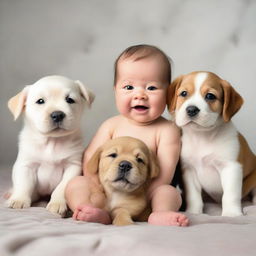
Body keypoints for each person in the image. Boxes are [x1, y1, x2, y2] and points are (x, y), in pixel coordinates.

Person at [65, 44, 189, 226]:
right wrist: (96, 189)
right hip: (103, 193)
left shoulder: (167, 130)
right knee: (77, 183)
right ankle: (87, 209)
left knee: (168, 192)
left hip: (144, 197)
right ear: (116, 90)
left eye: (152, 88)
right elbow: (90, 159)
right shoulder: (111, 125)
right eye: (129, 87)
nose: (140, 95)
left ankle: (160, 214)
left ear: (169, 94)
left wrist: (142, 199)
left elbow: (163, 172)